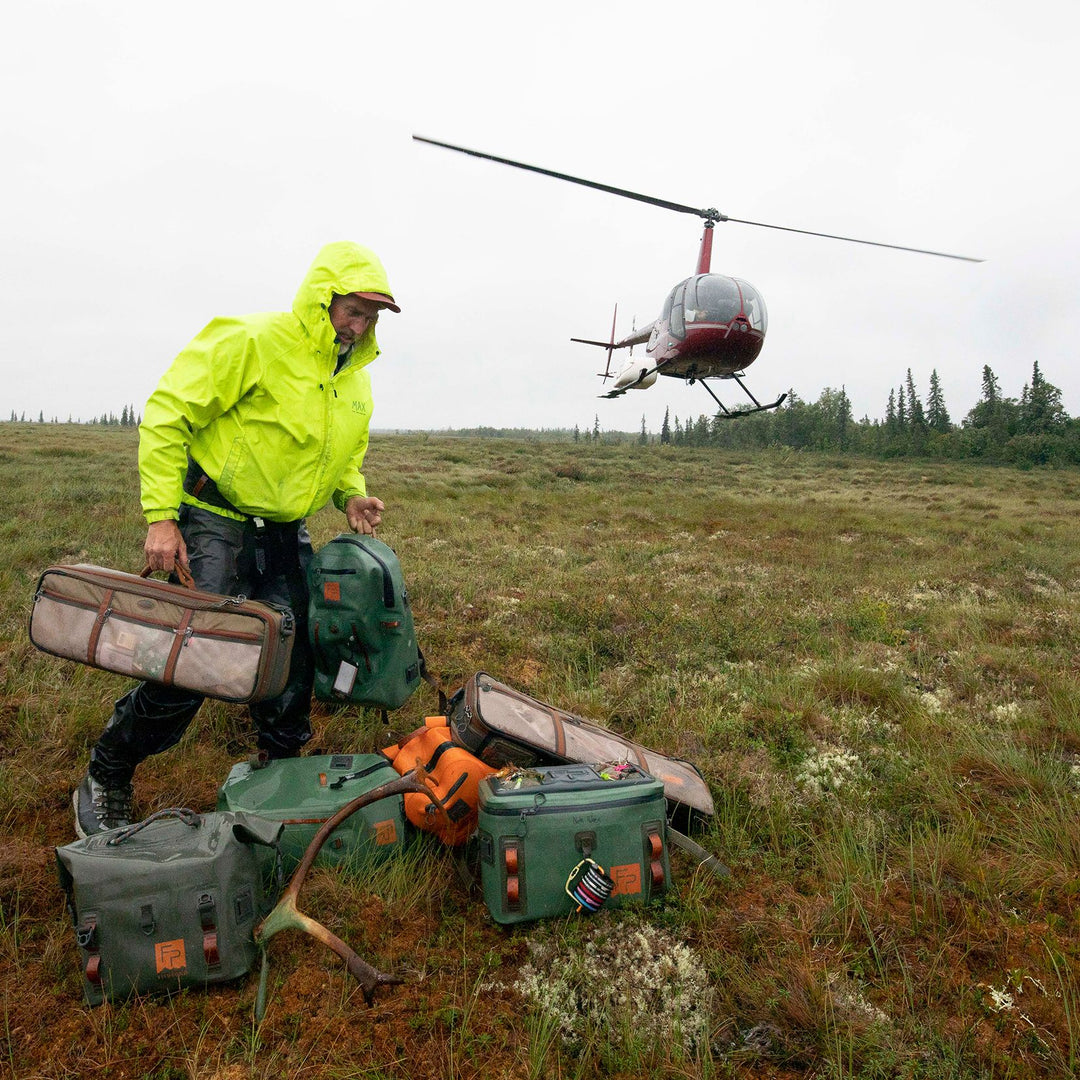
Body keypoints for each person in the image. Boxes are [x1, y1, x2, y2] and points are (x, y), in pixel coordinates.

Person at [73, 241, 400, 837]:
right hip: (212, 519)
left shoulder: (354, 381)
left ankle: (280, 780)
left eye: (371, 317)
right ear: (321, 299)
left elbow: (343, 455)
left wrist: (349, 493)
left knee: (294, 654)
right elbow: (170, 410)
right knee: (196, 657)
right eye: (352, 310)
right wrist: (160, 517)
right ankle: (109, 770)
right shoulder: (253, 340)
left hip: (283, 533)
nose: (360, 326)